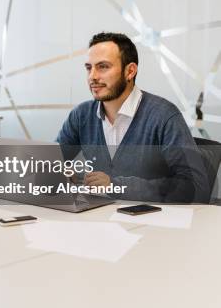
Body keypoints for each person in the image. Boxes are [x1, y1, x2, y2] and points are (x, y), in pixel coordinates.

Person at [56, 32, 209, 203]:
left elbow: (196, 187)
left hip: (153, 223)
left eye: (103, 67)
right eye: (89, 68)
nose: (93, 76)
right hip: (98, 220)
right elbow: (50, 163)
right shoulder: (81, 115)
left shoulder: (164, 116)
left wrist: (115, 186)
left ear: (130, 71)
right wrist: (58, 174)